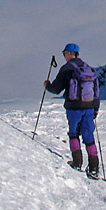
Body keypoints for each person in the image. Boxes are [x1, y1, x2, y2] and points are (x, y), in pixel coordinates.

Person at [44, 43, 101, 178]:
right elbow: (96, 90)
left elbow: (56, 89)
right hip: (89, 107)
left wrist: (47, 85)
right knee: (89, 135)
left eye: (64, 53)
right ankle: (94, 167)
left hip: (74, 107)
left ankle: (77, 162)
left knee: (74, 133)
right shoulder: (88, 68)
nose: (64, 56)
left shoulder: (67, 68)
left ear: (69, 53)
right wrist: (96, 108)